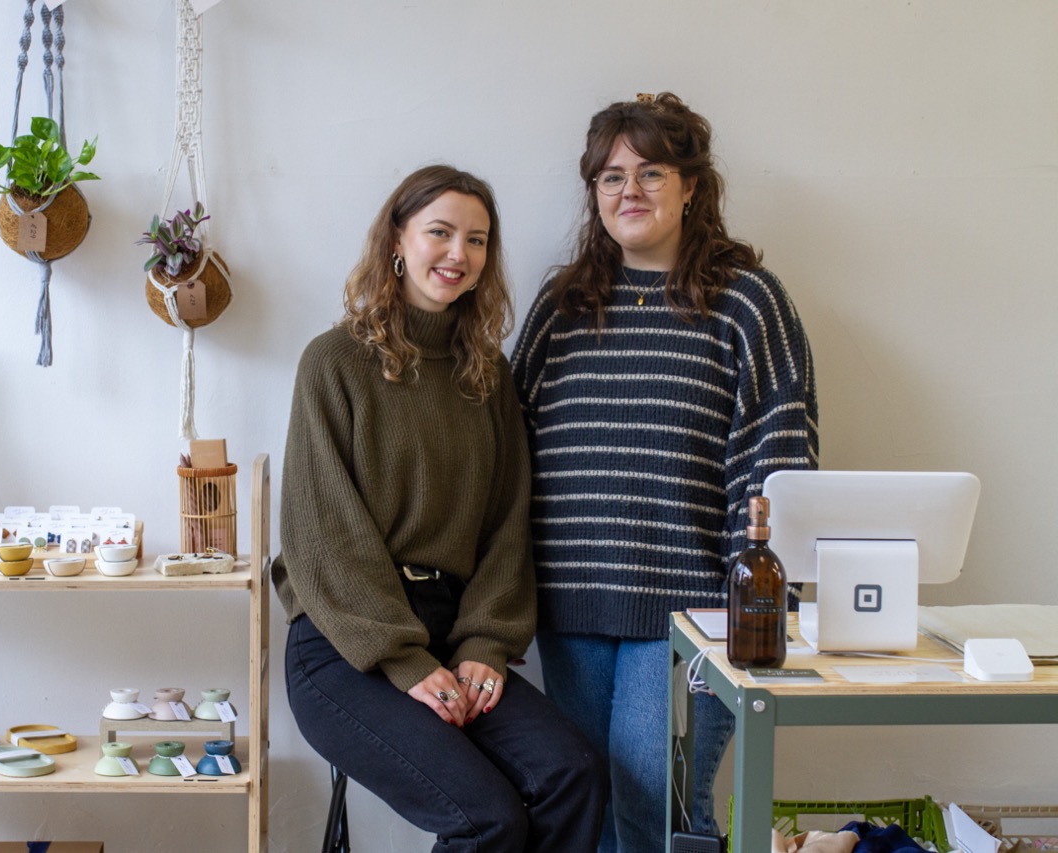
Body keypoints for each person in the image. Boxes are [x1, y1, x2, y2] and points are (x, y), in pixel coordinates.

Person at [511, 93, 819, 852]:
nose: (631, 192)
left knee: (658, 805)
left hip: (695, 615)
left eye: (652, 172)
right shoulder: (561, 308)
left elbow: (779, 461)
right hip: (571, 606)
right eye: (611, 177)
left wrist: (760, 605)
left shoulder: (747, 303)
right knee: (593, 808)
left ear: (691, 187)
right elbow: (509, 450)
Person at [274, 164, 608, 853]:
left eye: (478, 240)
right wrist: (405, 661)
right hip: (347, 646)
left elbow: (507, 527)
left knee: (571, 773)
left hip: (454, 634)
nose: (460, 254)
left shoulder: (486, 377)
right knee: (486, 818)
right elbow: (324, 535)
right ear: (397, 240)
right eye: (440, 232)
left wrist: (485, 645)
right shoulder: (333, 363)